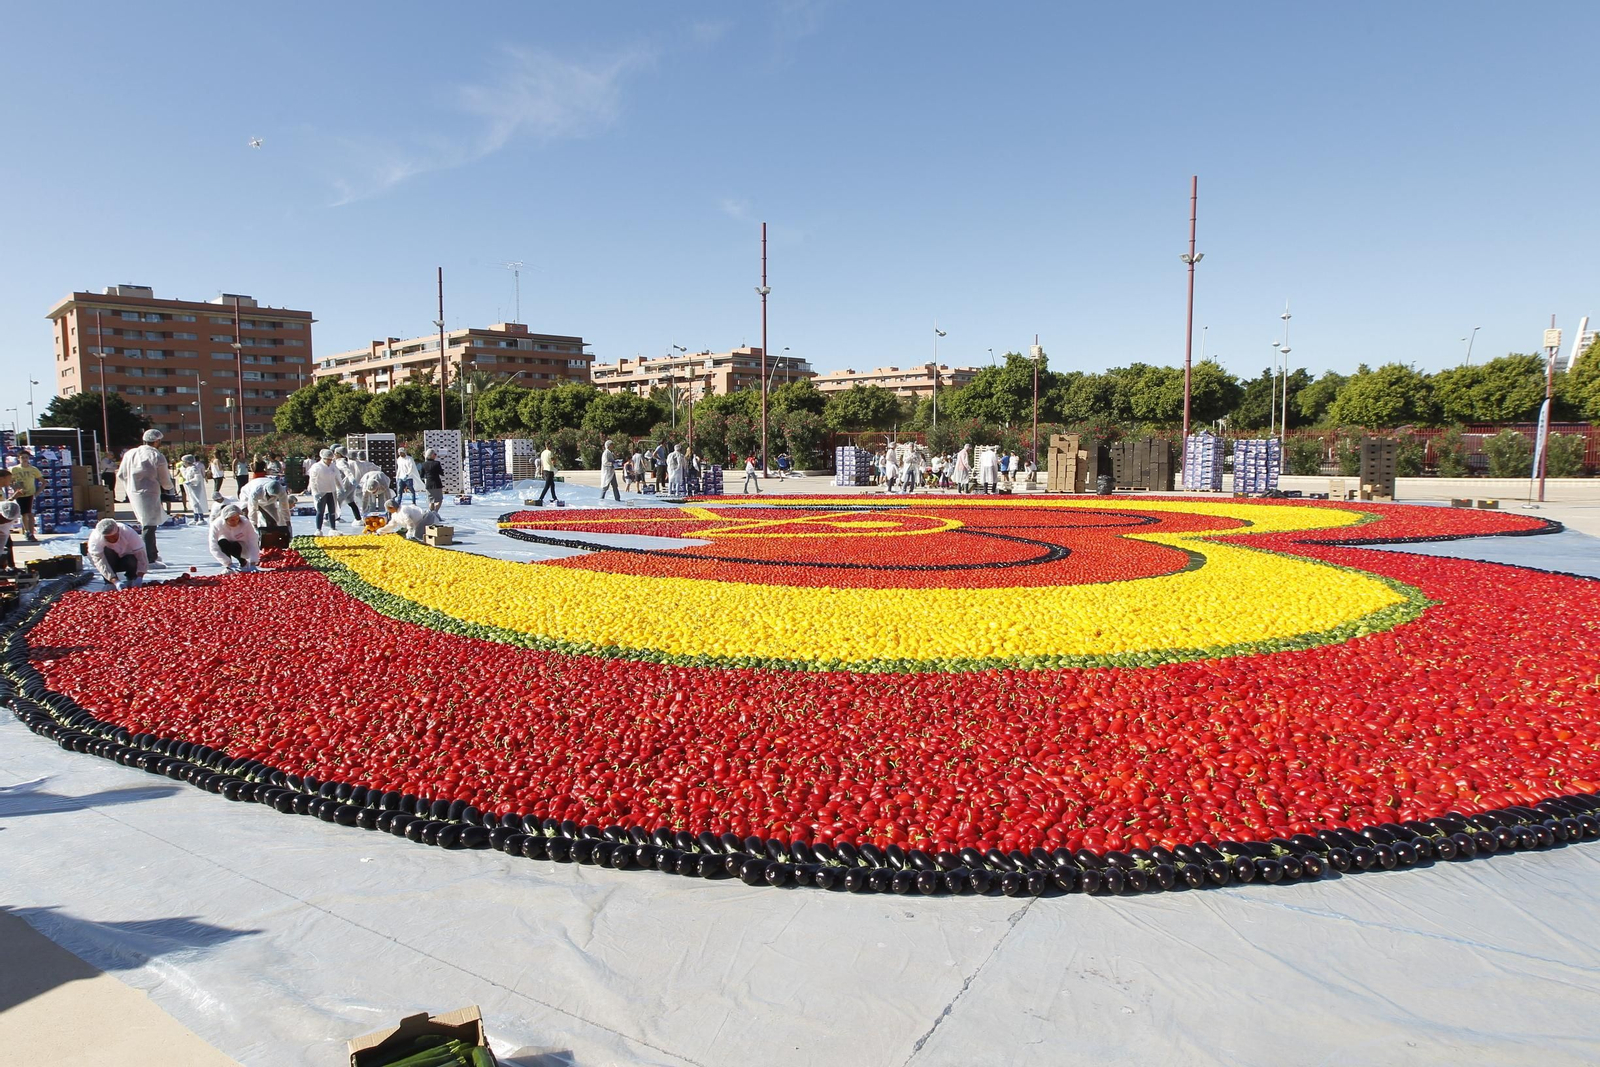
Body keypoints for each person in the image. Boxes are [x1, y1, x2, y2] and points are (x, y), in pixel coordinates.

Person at [117, 429, 174, 565]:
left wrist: (130, 485)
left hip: (133, 491)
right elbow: (165, 478)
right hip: (149, 492)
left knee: (146, 523)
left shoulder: (130, 453)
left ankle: (152, 552)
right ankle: (149, 558)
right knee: (149, 526)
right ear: (157, 441)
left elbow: (120, 474)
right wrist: (169, 488)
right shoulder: (156, 455)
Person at [88, 517, 148, 590]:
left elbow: (141, 556)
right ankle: (109, 582)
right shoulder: (95, 539)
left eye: (114, 537)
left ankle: (132, 578)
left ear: (118, 531)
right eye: (107, 538)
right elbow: (100, 562)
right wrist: (115, 581)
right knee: (106, 552)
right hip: (110, 562)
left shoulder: (128, 532)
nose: (111, 540)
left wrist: (140, 577)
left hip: (126, 559)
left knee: (131, 559)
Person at [209, 504, 260, 573]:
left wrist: (253, 562)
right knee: (222, 542)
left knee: (235, 545)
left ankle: (243, 562)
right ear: (225, 519)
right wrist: (228, 563)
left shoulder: (245, 522)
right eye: (232, 520)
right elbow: (213, 546)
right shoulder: (217, 525)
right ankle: (229, 567)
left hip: (242, 547)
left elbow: (252, 540)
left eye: (237, 519)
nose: (235, 522)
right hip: (226, 544)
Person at [8, 449, 43, 541]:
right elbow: (10, 481)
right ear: (18, 459)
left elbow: (43, 482)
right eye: (22, 457)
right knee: (24, 513)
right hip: (20, 494)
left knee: (30, 513)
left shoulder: (33, 469)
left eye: (26, 457)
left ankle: (31, 533)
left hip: (30, 493)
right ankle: (27, 531)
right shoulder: (14, 469)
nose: (24, 459)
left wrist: (37, 493)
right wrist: (15, 488)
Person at [307, 448, 344, 534]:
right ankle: (318, 529)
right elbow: (313, 481)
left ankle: (333, 528)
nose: (329, 461)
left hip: (331, 491)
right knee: (320, 511)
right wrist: (316, 492)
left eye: (331, 459)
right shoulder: (316, 467)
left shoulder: (333, 466)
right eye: (328, 459)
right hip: (321, 491)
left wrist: (340, 487)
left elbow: (337, 478)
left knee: (332, 511)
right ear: (323, 458)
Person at [178, 454, 210, 521]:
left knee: (198, 503)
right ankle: (195, 518)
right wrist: (182, 468)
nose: (183, 463)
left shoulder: (194, 468)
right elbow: (184, 474)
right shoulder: (188, 468)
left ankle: (201, 518)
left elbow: (197, 477)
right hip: (191, 489)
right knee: (193, 503)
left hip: (196, 488)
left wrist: (190, 481)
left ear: (187, 461)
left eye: (184, 462)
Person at [419, 447, 445, 512]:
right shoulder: (437, 463)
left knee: (431, 501)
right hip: (437, 484)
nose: (436, 455)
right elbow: (441, 473)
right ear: (432, 455)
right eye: (435, 454)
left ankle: (431, 512)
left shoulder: (423, 464)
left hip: (428, 484)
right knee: (439, 500)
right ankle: (435, 512)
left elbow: (421, 475)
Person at [0, 500, 19, 569]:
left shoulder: (14, 509)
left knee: (8, 544)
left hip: (4, 529)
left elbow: (5, 533)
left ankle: (11, 566)